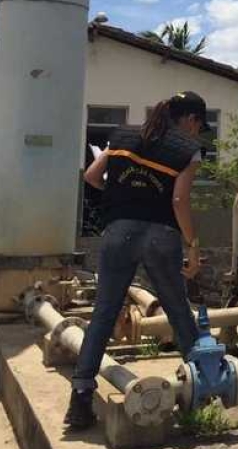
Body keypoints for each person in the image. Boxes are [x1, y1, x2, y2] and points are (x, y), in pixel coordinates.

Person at [65, 91, 209, 429]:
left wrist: (122, 198)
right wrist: (193, 244)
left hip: (119, 233)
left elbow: (91, 176)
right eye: (198, 125)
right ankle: (200, 392)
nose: (196, 132)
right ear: (190, 119)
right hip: (162, 236)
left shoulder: (123, 136)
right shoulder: (188, 151)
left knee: (104, 313)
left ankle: (81, 398)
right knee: (178, 311)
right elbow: (178, 199)